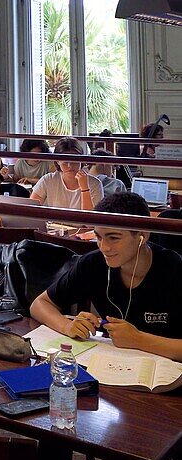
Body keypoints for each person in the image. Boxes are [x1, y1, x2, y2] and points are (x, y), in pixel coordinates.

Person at [30, 192, 182, 360]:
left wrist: (138, 340)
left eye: (113, 238)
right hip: (111, 366)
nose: (104, 247)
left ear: (143, 236)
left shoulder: (174, 269)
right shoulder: (94, 263)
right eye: (98, 237)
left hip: (166, 376)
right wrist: (68, 326)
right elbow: (39, 304)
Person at [30, 137, 102, 210]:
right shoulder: (48, 180)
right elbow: (31, 208)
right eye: (65, 162)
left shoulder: (95, 184)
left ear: (81, 160)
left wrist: (85, 189)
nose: (70, 166)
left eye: (74, 161)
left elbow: (91, 217)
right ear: (58, 161)